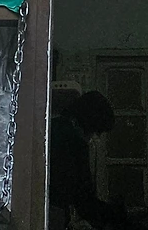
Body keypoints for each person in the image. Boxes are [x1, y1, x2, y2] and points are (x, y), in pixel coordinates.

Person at [49, 90, 124, 230]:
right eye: (97, 131)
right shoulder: (75, 143)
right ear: (91, 124)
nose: (95, 138)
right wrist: (116, 216)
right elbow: (84, 199)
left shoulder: (52, 127)